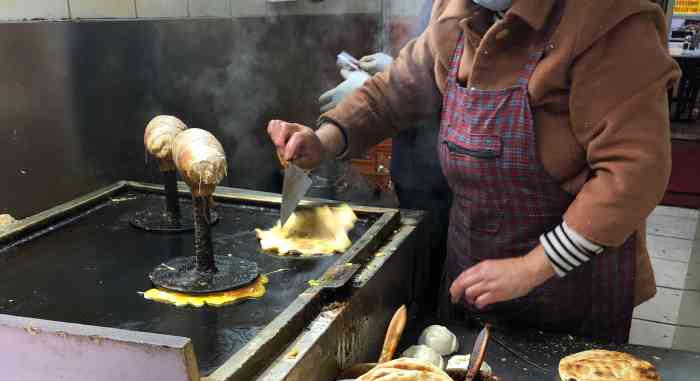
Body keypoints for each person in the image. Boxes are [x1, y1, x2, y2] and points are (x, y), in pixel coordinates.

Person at [269, 0, 680, 343]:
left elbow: (633, 172)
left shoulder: (610, 20)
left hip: (572, 290)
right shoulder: (463, 11)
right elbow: (394, 92)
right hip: (474, 275)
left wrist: (532, 267)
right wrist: (326, 138)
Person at [319, 2, 452, 305]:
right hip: (415, 178)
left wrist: (385, 80)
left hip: (443, 183)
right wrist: (393, 71)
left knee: (433, 282)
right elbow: (429, 65)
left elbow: (464, 90)